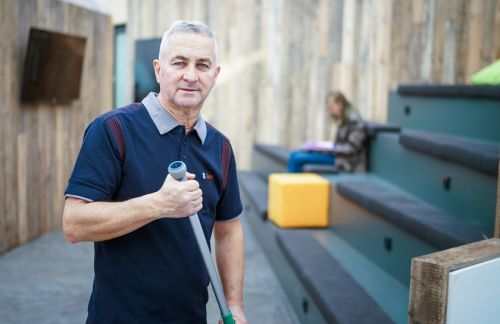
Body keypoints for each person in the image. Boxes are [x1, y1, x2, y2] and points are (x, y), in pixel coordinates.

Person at [62, 21, 247, 324]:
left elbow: (228, 230)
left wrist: (235, 304)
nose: (191, 75)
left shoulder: (221, 148)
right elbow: (74, 224)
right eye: (180, 62)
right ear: (159, 70)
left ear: (215, 75)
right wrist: (159, 204)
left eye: (202, 65)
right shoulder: (114, 130)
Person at [288, 91, 366, 173]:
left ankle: (295, 185)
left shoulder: (354, 122)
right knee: (294, 154)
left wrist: (330, 149)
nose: (330, 112)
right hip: (337, 156)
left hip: (347, 162)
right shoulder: (344, 119)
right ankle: (292, 184)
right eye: (328, 109)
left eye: (331, 108)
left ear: (340, 104)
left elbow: (352, 149)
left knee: (298, 158)